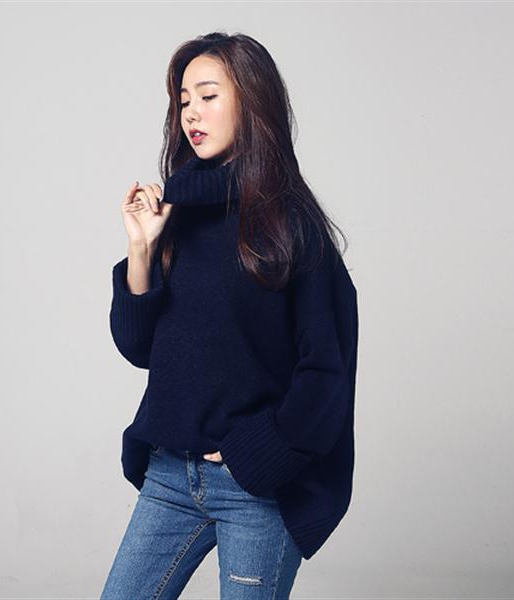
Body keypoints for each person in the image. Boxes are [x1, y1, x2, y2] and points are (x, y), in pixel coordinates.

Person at [100, 32, 359, 600]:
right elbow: (139, 347)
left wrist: (257, 455)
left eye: (208, 95)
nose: (191, 112)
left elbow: (326, 372)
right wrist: (142, 248)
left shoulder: (291, 225)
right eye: (183, 100)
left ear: (252, 101)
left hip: (253, 487)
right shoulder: (177, 214)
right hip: (170, 475)